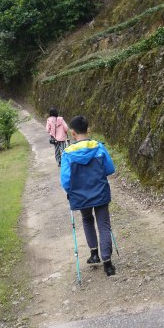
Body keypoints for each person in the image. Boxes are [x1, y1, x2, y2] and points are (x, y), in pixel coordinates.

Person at [60, 115, 116, 276]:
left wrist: (72, 191)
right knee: (104, 225)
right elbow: (110, 169)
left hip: (80, 195)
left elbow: (65, 181)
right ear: (88, 129)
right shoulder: (98, 147)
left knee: (87, 220)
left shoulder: (67, 153)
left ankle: (94, 255)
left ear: (72, 133)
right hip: (100, 192)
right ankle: (108, 265)